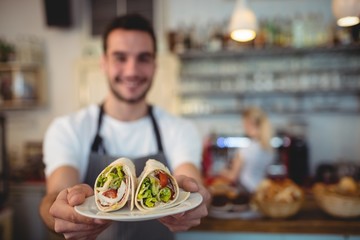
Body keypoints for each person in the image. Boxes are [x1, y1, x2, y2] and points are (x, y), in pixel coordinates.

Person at [39, 13, 210, 240]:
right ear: (104, 62)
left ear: (155, 65)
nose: (131, 70)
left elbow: (194, 183)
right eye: (120, 57)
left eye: (143, 58)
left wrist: (198, 197)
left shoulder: (180, 129)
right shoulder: (68, 128)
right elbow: (54, 196)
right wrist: (60, 212)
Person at [219, 106, 275, 192]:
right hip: (261, 191)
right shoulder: (269, 148)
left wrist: (221, 171)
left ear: (249, 124)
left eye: (244, 124)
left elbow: (232, 177)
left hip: (245, 192)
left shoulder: (245, 150)